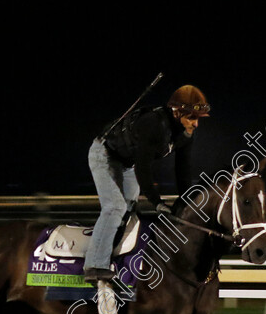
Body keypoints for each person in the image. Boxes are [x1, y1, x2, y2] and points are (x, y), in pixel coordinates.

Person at [83, 84, 211, 284]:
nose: (195, 124)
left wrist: (187, 201)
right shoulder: (153, 123)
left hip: (127, 163)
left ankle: (116, 257)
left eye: (198, 119)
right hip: (105, 154)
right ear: (177, 112)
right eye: (192, 118)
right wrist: (156, 202)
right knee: (115, 206)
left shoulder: (185, 133)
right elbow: (143, 168)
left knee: (130, 210)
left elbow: (182, 170)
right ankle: (94, 265)